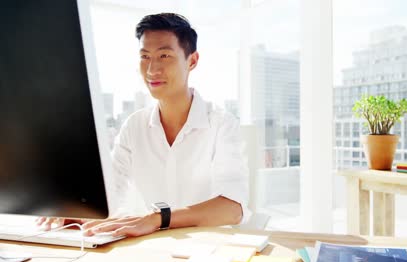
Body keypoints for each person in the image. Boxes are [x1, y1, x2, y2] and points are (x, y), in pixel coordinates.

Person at [36, 13, 250, 237]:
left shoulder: (221, 123)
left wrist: (157, 219)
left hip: (208, 249)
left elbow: (233, 209)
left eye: (164, 55)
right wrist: (76, 211)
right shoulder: (134, 126)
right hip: (151, 248)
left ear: (192, 60)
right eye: (145, 56)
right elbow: (111, 191)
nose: (151, 70)